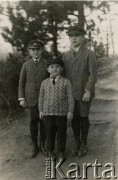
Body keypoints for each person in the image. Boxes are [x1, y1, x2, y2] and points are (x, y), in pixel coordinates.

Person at [62, 26, 97, 157]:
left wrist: (88, 90)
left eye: (77, 36)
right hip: (70, 93)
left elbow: (93, 75)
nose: (74, 38)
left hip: (84, 92)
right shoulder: (65, 55)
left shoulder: (89, 53)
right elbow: (63, 75)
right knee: (74, 117)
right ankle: (77, 142)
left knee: (83, 117)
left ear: (82, 38)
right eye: (71, 36)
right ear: (69, 38)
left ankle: (84, 143)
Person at [38, 56, 74, 160]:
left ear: (61, 68)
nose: (54, 69)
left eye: (57, 66)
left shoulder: (66, 82)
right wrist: (41, 110)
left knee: (61, 132)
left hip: (61, 112)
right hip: (47, 113)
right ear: (48, 69)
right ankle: (50, 151)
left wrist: (70, 111)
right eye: (52, 67)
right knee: (49, 132)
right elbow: (41, 97)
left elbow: (70, 98)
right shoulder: (44, 83)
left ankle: (61, 151)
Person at [18, 39, 48, 158]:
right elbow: (21, 82)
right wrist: (21, 98)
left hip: (44, 99)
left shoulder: (47, 63)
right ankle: (34, 146)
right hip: (30, 99)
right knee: (32, 123)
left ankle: (43, 145)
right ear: (29, 51)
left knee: (44, 123)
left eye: (38, 49)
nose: (35, 52)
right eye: (33, 50)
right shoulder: (26, 65)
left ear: (42, 50)